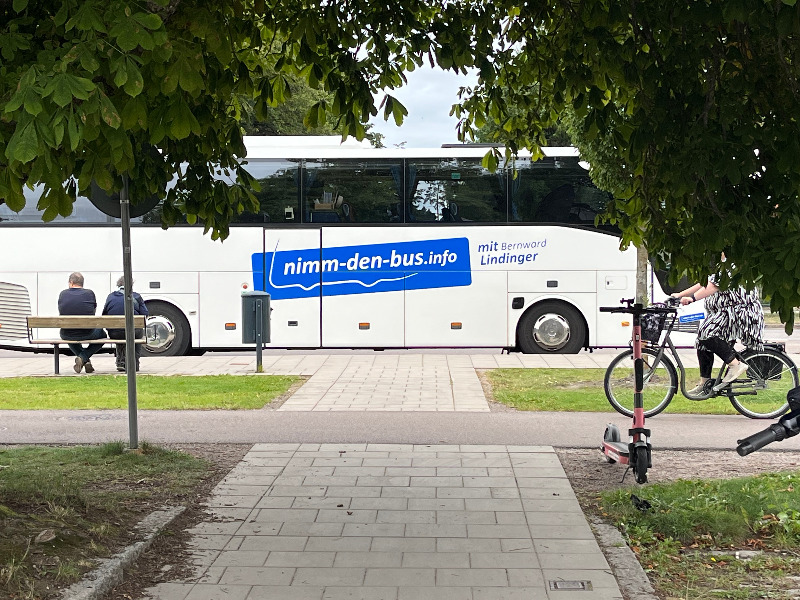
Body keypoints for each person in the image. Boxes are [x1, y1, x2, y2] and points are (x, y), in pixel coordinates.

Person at [671, 261, 764, 397]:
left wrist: (692, 298)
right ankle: (705, 383)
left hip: (738, 311)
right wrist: (679, 295)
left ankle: (735, 365)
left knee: (706, 334)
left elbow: (714, 286)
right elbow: (706, 282)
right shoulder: (721, 264)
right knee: (701, 343)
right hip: (722, 311)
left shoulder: (734, 262)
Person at [58, 272, 104, 374]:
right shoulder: (89, 293)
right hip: (87, 332)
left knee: (69, 335)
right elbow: (93, 311)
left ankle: (84, 359)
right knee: (103, 335)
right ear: (82, 283)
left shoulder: (63, 294)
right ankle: (84, 358)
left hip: (66, 333)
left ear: (71, 282)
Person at [103, 276, 149, 372]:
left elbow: (104, 315)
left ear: (118, 285)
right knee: (136, 332)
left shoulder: (110, 297)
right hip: (133, 332)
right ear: (131, 285)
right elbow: (145, 314)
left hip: (115, 333)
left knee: (119, 331)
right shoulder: (136, 296)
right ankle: (134, 362)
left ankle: (121, 361)